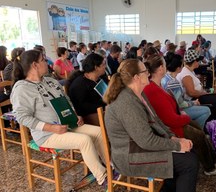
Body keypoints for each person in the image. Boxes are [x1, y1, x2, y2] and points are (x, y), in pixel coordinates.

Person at [10, 50, 108, 189]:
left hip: (67, 124)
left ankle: (109, 167)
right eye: (43, 60)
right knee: (84, 140)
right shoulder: (22, 88)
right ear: (35, 65)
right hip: (47, 134)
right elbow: (21, 117)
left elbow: (66, 100)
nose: (48, 63)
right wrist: (51, 127)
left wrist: (75, 115)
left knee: (98, 132)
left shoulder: (50, 81)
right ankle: (102, 177)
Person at [103, 59, 199, 192]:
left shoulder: (139, 94)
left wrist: (173, 138)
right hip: (130, 156)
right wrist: (177, 145)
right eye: (145, 71)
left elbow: (157, 121)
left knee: (189, 153)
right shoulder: (126, 103)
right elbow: (146, 141)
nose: (148, 73)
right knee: (188, 163)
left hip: (139, 147)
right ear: (136, 77)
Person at [144, 54, 216, 176]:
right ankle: (209, 167)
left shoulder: (158, 85)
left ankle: (213, 159)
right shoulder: (152, 89)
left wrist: (183, 116)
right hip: (169, 128)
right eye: (164, 64)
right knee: (198, 135)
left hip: (173, 120)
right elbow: (169, 119)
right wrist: (185, 117)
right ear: (160, 69)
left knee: (198, 129)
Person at [162, 53, 211, 129]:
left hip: (173, 108)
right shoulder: (173, 83)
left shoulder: (165, 77)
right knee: (206, 110)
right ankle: (197, 133)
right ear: (178, 68)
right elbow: (181, 104)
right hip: (176, 111)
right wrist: (193, 103)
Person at [176, 49, 216, 120]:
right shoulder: (186, 74)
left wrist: (205, 92)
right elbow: (191, 93)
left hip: (198, 95)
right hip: (192, 99)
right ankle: (211, 121)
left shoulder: (190, 71)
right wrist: (203, 93)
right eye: (199, 61)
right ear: (194, 62)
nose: (199, 62)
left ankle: (212, 120)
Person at [66, 53, 107, 126]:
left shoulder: (101, 77)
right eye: (103, 65)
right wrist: (104, 107)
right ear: (96, 67)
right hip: (89, 114)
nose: (105, 67)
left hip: (103, 109)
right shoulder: (79, 84)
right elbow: (81, 106)